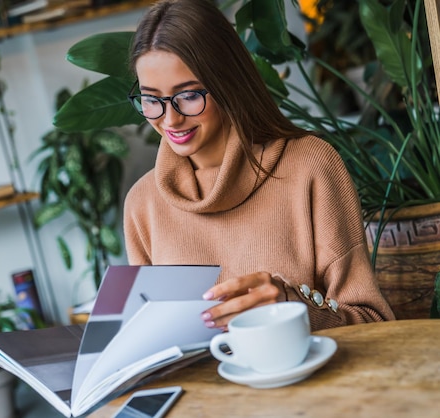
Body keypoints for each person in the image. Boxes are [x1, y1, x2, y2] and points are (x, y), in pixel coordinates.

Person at [122, 0, 395, 331]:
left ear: (227, 83)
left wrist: (291, 307)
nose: (171, 118)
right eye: (152, 100)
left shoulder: (310, 166)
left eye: (189, 96)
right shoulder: (143, 203)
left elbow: (375, 324)